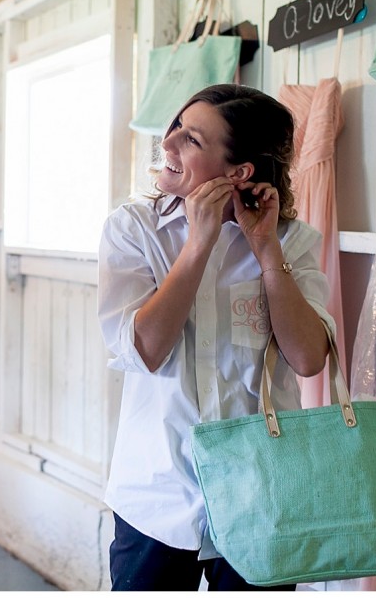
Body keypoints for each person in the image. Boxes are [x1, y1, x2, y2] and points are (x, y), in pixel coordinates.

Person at [98, 84, 335, 591]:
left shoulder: (294, 241)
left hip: (262, 498)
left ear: (240, 172)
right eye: (174, 128)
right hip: (156, 498)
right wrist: (198, 243)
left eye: (191, 140)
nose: (169, 144)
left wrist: (267, 250)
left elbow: (310, 358)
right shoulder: (132, 229)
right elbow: (143, 350)